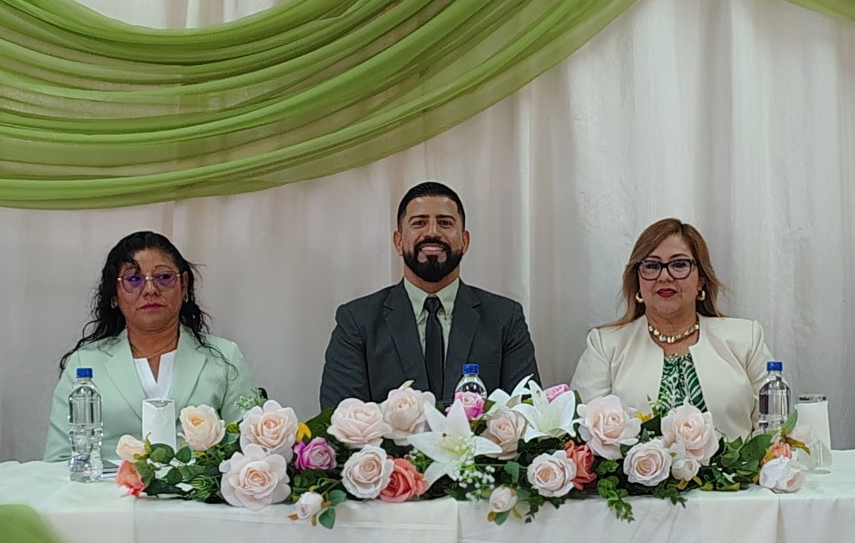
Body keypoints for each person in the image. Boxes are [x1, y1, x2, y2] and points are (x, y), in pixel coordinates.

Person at [318, 182, 539, 411]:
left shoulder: (505, 318)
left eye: (445, 223)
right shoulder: (357, 321)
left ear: (465, 241)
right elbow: (340, 417)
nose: (432, 232)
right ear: (398, 242)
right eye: (419, 223)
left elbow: (527, 412)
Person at [45, 232, 259, 461]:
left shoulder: (225, 358)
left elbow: (250, 454)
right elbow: (59, 460)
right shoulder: (85, 363)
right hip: (106, 485)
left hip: (199, 485)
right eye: (133, 279)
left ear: (183, 286)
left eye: (164, 277)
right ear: (114, 296)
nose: (150, 290)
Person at [570, 219, 773, 439]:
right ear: (637, 280)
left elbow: (773, 431)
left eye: (679, 264)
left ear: (701, 280)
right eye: (651, 266)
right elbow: (581, 434)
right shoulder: (605, 345)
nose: (665, 276)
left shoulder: (746, 339)